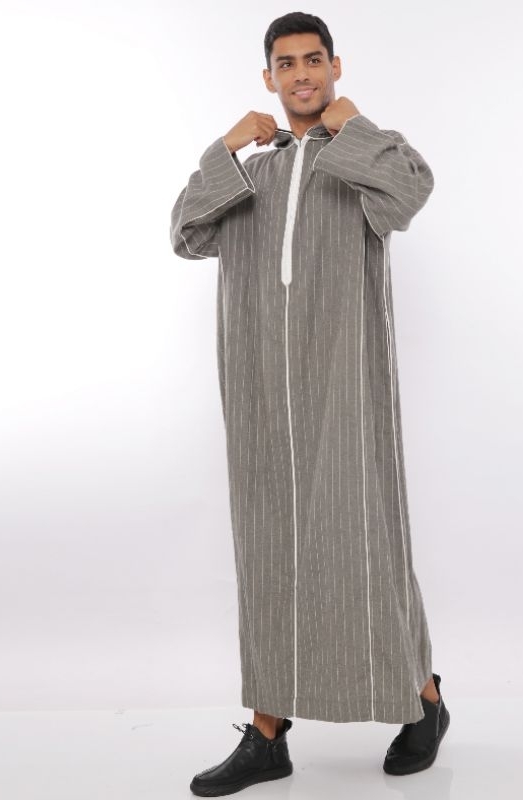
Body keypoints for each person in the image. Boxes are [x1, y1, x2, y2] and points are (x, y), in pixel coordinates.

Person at [170, 11, 449, 796]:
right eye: (286, 63)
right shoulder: (252, 173)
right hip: (261, 390)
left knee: (365, 545)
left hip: (346, 387)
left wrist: (353, 126)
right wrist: (225, 148)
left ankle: (423, 701)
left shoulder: (362, 162)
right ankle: (267, 738)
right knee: (266, 553)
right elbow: (186, 233)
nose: (301, 73)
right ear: (268, 77)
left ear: (334, 67)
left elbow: (412, 190)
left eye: (313, 59)